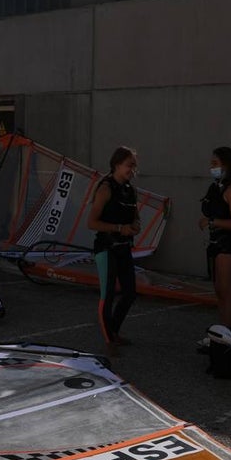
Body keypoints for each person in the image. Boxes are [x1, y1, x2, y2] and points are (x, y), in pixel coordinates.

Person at [86, 146, 141, 357]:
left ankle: (114, 331)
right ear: (116, 164)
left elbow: (135, 217)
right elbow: (91, 223)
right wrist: (119, 228)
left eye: (134, 166)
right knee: (107, 294)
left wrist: (135, 225)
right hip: (106, 247)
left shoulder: (130, 190)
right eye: (129, 165)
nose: (132, 170)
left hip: (124, 247)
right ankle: (109, 341)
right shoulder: (105, 188)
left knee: (130, 292)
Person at [198, 146, 231, 337]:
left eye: (215, 163)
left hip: (228, 243)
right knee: (219, 290)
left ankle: (229, 333)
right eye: (211, 163)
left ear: (226, 165)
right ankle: (223, 329)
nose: (212, 167)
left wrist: (212, 222)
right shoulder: (215, 187)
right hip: (215, 242)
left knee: (227, 291)